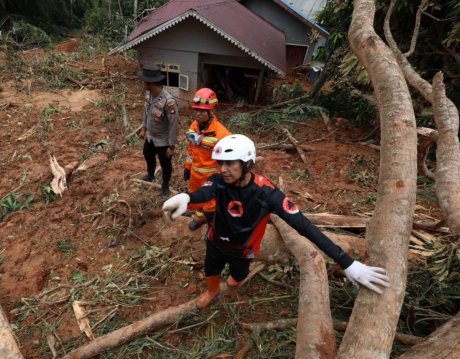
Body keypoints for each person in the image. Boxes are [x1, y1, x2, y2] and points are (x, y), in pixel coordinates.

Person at [162, 134, 390, 309]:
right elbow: (204, 193)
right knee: (211, 271)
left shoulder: (267, 193)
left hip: (243, 251)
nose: (223, 169)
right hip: (215, 242)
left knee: (237, 277)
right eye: (221, 163)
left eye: (230, 163)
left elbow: (304, 226)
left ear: (247, 163)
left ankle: (231, 284)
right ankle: (211, 292)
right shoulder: (218, 181)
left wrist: (347, 262)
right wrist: (187, 198)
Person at [184, 88, 231, 231]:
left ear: (212, 111)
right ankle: (199, 217)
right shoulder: (194, 126)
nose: (198, 113)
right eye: (196, 110)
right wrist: (187, 167)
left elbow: (228, 160)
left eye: (202, 111)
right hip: (195, 175)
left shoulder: (222, 134)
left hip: (211, 177)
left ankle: (213, 227)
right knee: (196, 197)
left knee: (211, 204)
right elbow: (191, 149)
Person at [137, 64, 179, 198]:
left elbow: (173, 125)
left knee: (165, 164)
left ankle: (165, 185)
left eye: (144, 81)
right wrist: (144, 128)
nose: (143, 83)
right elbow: (146, 112)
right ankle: (150, 175)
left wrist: (171, 146)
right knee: (147, 154)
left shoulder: (169, 102)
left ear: (150, 83)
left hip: (163, 140)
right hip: (151, 136)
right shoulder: (148, 94)